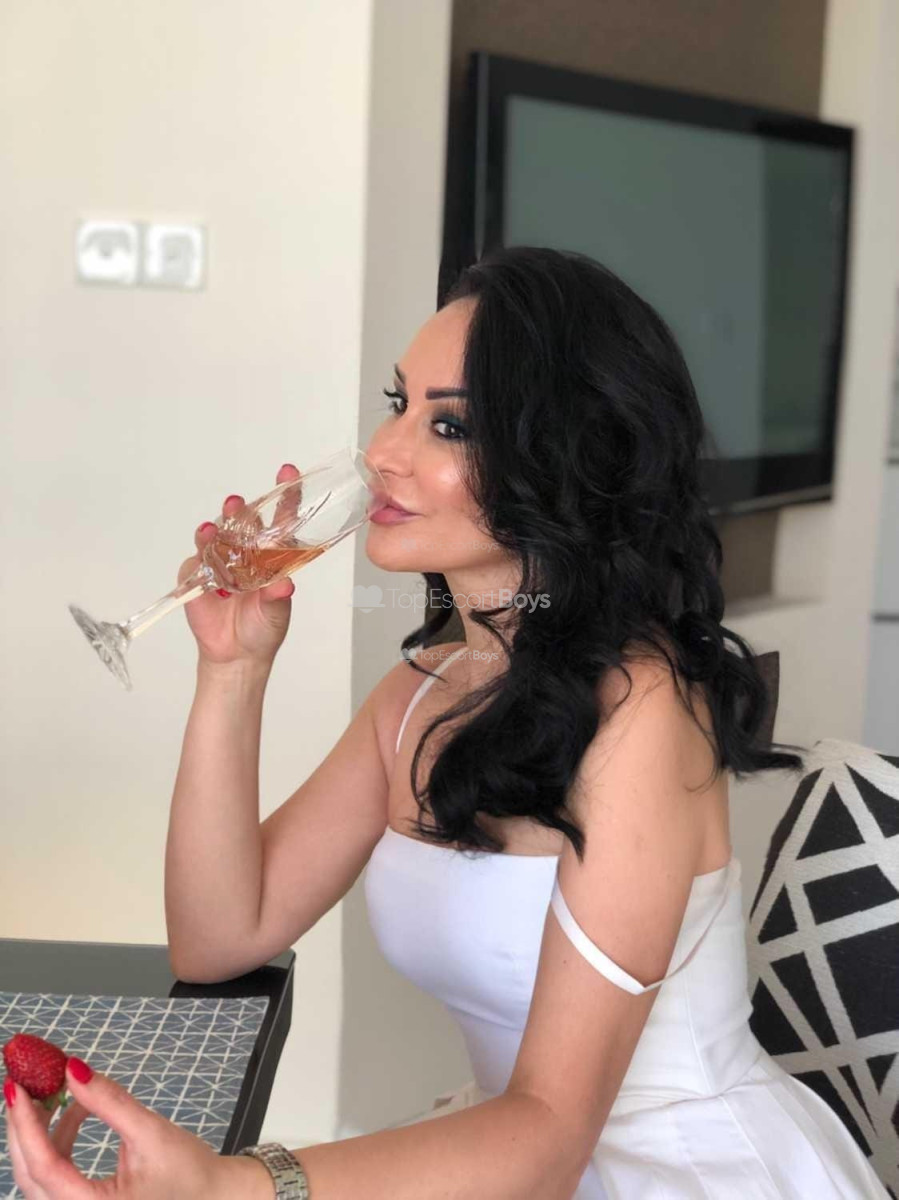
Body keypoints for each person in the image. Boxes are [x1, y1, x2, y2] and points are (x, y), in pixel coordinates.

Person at [4, 245, 890, 1198]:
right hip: (496, 1153)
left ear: (566, 459)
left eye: (450, 424)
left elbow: (551, 1139)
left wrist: (237, 1186)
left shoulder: (641, 712)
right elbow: (219, 938)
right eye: (399, 405)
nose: (383, 453)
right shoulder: (422, 692)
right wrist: (232, 671)